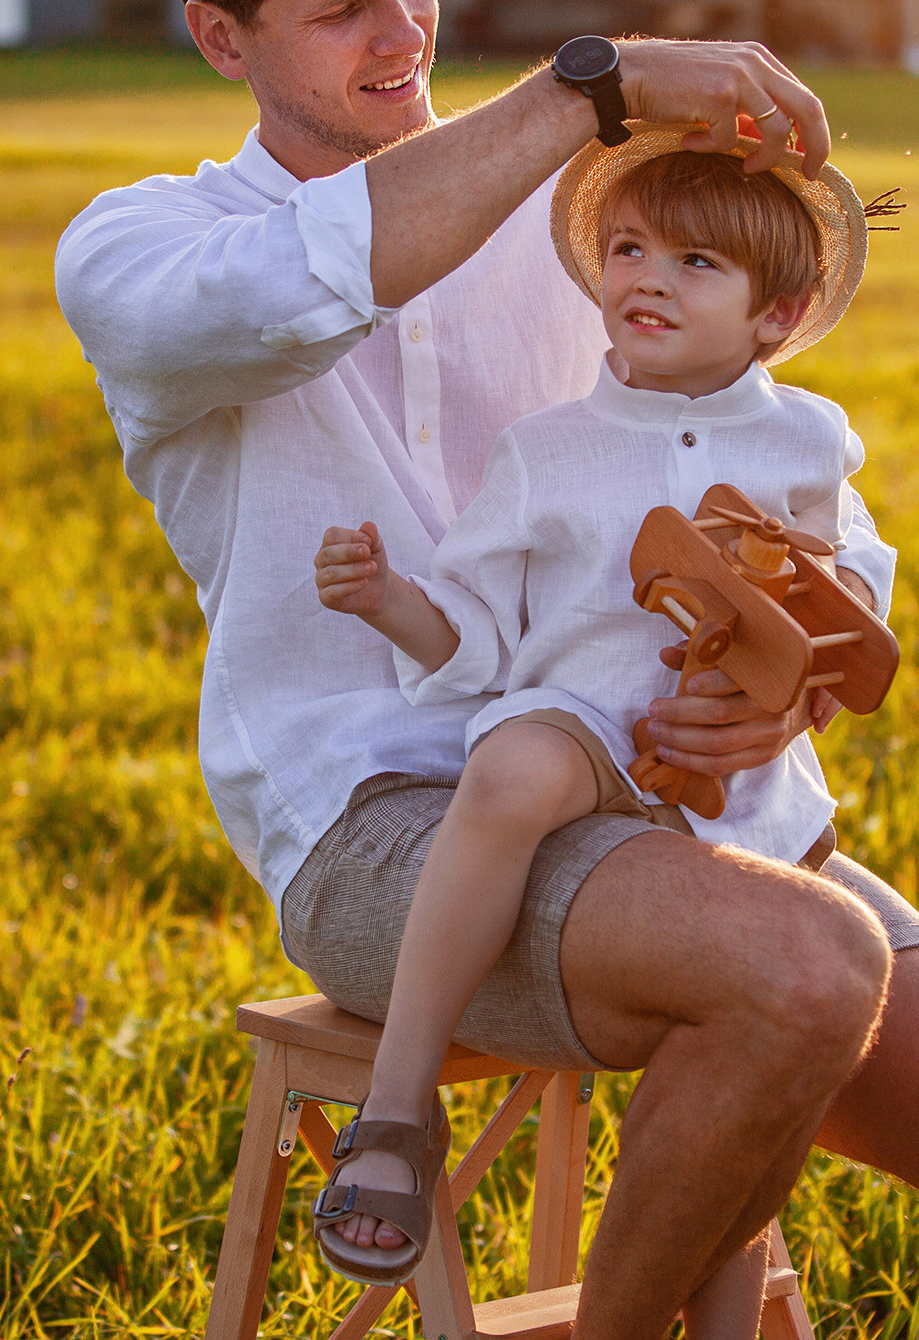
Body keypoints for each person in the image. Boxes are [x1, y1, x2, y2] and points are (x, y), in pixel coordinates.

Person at [54, 0, 919, 1339]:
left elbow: (760, 464)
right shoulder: (142, 251)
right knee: (803, 962)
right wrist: (594, 90)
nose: (404, 29)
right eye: (346, 7)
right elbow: (309, 280)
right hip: (380, 824)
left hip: (657, 795)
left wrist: (788, 672)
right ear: (222, 40)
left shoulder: (577, 228)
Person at [306, 133, 877, 1286]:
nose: (646, 278)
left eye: (696, 263)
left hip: (725, 762)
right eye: (627, 249)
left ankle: (719, 1291)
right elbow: (480, 636)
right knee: (512, 771)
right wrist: (388, 603)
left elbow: (855, 575)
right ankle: (399, 1109)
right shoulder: (546, 453)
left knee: (753, 1055)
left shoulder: (805, 437)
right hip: (578, 719)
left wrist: (809, 656)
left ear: (779, 312)